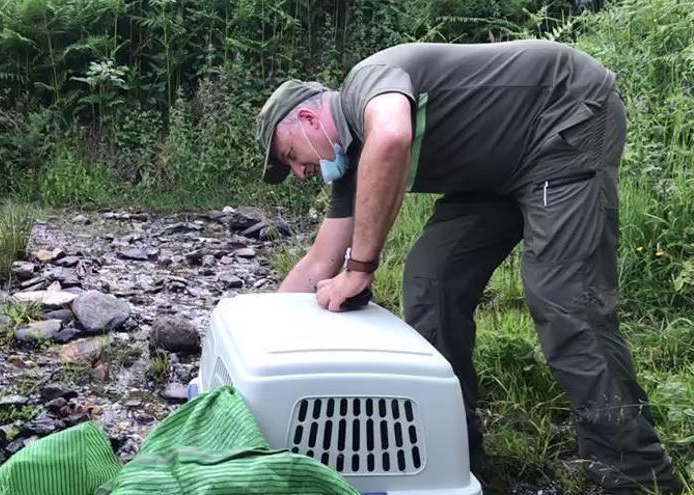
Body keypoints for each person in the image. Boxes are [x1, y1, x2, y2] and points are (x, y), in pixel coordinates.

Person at [255, 39, 682, 494]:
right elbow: (320, 261)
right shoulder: (352, 166)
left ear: (307, 119)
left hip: (564, 117)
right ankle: (453, 447)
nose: (300, 173)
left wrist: (359, 268)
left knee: (563, 299)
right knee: (430, 277)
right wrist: (263, 343)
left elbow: (393, 136)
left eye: (290, 157)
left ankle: (635, 472)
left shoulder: (367, 82)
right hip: (495, 171)